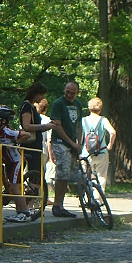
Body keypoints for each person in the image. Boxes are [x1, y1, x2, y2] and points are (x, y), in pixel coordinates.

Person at [19, 82, 57, 218]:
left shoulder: (31, 107)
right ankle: (27, 205)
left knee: (36, 175)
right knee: (34, 175)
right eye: (40, 94)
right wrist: (43, 126)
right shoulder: (27, 106)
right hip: (30, 145)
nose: (42, 97)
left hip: (36, 145)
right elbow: (27, 126)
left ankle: (30, 204)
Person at [0, 105, 33, 222]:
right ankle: (19, 212)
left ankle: (24, 213)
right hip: (7, 161)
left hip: (15, 161)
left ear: (3, 121)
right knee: (11, 187)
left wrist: (15, 142)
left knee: (15, 188)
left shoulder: (7, 131)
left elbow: (28, 135)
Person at [49, 81, 84, 218]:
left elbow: (79, 125)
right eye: (67, 92)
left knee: (71, 174)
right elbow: (57, 126)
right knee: (62, 173)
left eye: (72, 93)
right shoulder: (58, 103)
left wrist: (78, 143)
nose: (69, 95)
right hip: (60, 142)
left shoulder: (78, 104)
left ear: (77, 93)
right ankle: (57, 205)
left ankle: (62, 204)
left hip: (72, 143)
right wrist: (71, 142)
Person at [81, 97, 116, 190]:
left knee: (87, 176)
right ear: (100, 108)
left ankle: (88, 195)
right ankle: (98, 196)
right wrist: (110, 145)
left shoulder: (83, 120)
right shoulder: (103, 120)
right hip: (101, 151)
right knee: (101, 176)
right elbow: (112, 132)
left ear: (89, 108)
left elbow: (78, 135)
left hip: (86, 152)